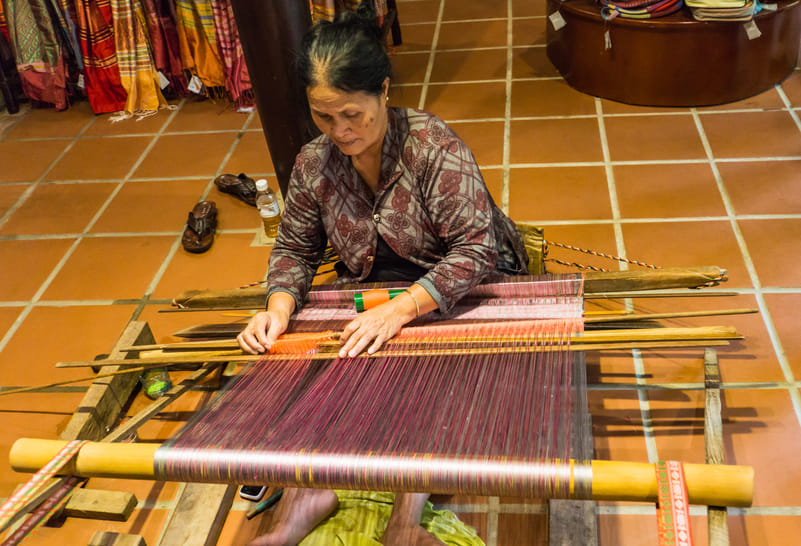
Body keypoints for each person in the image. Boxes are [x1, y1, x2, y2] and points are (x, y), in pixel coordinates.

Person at [237, 4, 528, 545]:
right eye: (325, 117)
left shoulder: (432, 150)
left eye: (353, 114)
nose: (341, 131)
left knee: (422, 375)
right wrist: (276, 308)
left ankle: (404, 520)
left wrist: (402, 310)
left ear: (384, 92)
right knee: (315, 364)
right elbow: (295, 249)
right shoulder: (313, 164)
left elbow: (475, 249)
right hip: (369, 287)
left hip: (453, 286)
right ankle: (306, 500)